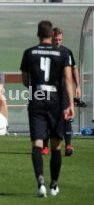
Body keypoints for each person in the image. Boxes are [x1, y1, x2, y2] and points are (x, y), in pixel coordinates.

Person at [20, 21, 74, 197]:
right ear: (52, 35)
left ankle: (40, 182)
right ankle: (54, 185)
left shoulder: (29, 53)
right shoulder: (62, 53)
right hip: (55, 101)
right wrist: (70, 104)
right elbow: (67, 79)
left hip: (37, 98)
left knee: (37, 142)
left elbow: (25, 80)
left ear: (38, 34)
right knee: (56, 145)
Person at [42, 27, 81, 156]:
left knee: (66, 117)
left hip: (64, 91)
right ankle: (45, 147)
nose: (58, 42)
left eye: (60, 39)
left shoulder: (67, 52)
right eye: (55, 39)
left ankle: (68, 146)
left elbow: (74, 69)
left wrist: (78, 86)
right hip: (49, 90)